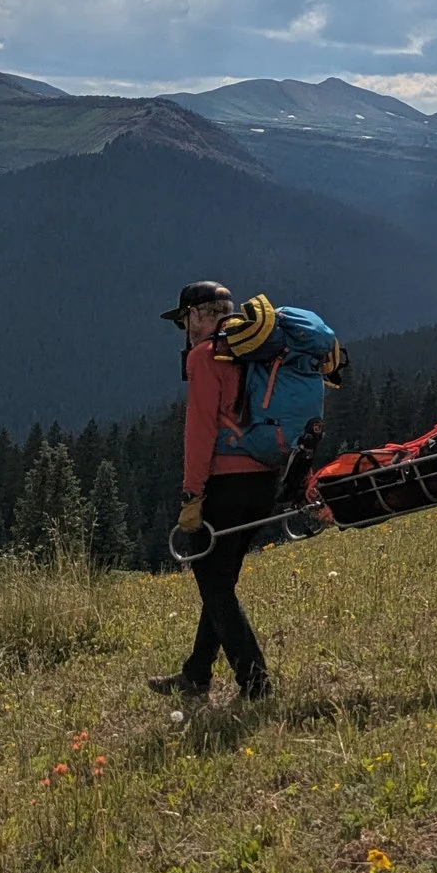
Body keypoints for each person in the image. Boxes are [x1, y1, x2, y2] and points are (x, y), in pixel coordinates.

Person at [147, 281, 278, 700]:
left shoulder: (207, 357)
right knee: (220, 579)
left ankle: (255, 683)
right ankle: (197, 674)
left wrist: (191, 493)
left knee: (212, 581)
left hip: (227, 483)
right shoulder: (255, 352)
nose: (185, 330)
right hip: (265, 478)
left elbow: (200, 431)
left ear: (201, 315)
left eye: (185, 320)